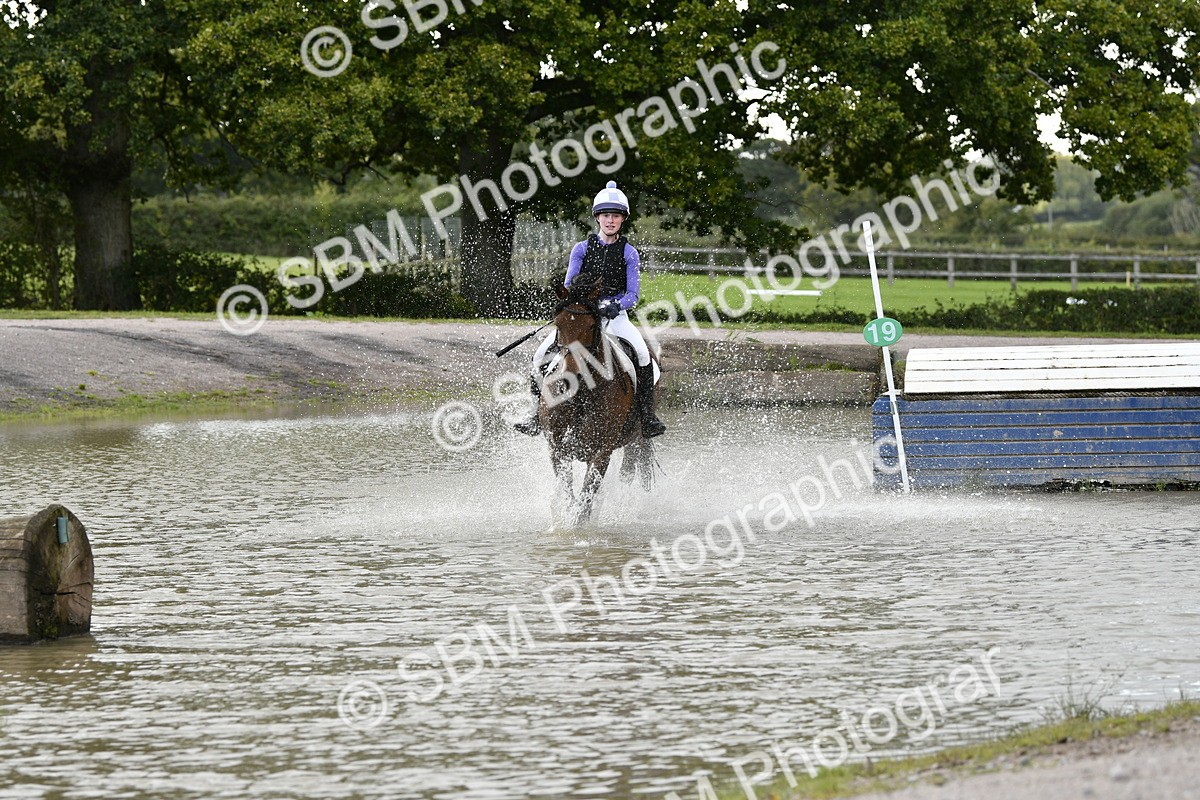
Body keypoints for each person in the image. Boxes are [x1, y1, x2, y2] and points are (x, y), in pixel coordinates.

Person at [513, 180, 666, 439]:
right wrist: (583, 305)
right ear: (597, 217)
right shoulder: (581, 249)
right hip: (582, 316)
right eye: (606, 215)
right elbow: (569, 285)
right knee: (540, 356)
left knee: (642, 355)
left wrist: (614, 304)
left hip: (615, 317)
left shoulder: (629, 253)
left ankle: (647, 417)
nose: (610, 220)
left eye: (615, 216)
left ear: (622, 220)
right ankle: (534, 415)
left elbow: (633, 295)